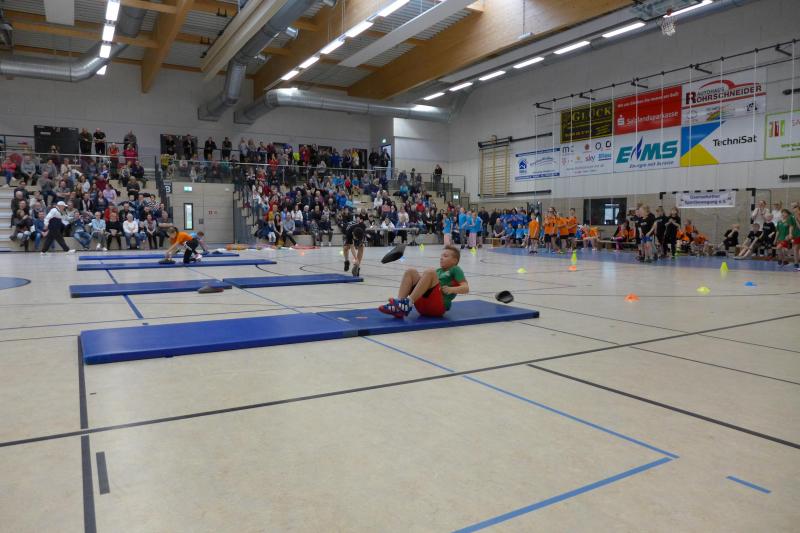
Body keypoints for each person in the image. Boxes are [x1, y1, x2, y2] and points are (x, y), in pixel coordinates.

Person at [378, 245, 469, 319]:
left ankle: (407, 303)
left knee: (430, 272)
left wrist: (451, 289)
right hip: (423, 307)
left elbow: (466, 288)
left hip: (438, 307)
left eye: (445, 256)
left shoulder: (455, 269)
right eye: (441, 256)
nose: (441, 258)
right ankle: (400, 306)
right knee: (410, 272)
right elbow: (422, 284)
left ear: (455, 260)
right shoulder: (438, 271)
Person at [343, 213, 367, 277]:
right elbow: (352, 247)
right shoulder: (349, 233)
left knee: (361, 246)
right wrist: (356, 258)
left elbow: (361, 241)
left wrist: (357, 263)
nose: (356, 240)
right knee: (346, 248)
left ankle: (357, 267)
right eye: (355, 238)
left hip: (358, 232)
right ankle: (346, 261)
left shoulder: (363, 227)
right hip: (348, 231)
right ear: (353, 234)